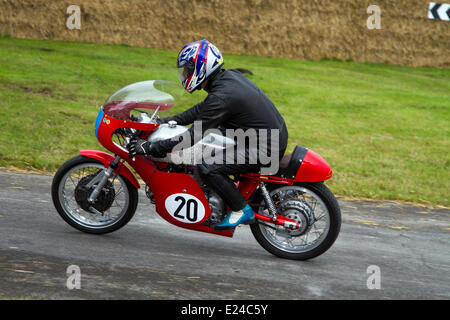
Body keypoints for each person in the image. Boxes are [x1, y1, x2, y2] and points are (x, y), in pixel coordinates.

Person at [127, 39, 288, 230]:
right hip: (262, 137)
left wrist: (153, 147)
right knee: (206, 149)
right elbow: (201, 110)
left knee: (208, 167)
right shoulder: (226, 80)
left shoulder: (222, 96)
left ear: (201, 67)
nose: (185, 74)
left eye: (187, 69)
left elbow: (192, 136)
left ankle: (240, 209)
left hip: (264, 147)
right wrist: (169, 120)